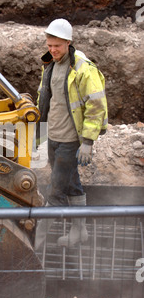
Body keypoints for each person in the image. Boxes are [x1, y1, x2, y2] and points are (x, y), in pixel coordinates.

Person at [35, 18, 108, 252]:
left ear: (68, 42)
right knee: (71, 182)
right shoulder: (49, 66)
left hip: (70, 140)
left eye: (57, 45)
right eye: (49, 45)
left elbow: (97, 106)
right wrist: (39, 133)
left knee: (55, 190)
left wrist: (87, 142)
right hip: (53, 137)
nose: (53, 50)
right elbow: (46, 101)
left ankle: (37, 243)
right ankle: (80, 230)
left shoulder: (83, 69)